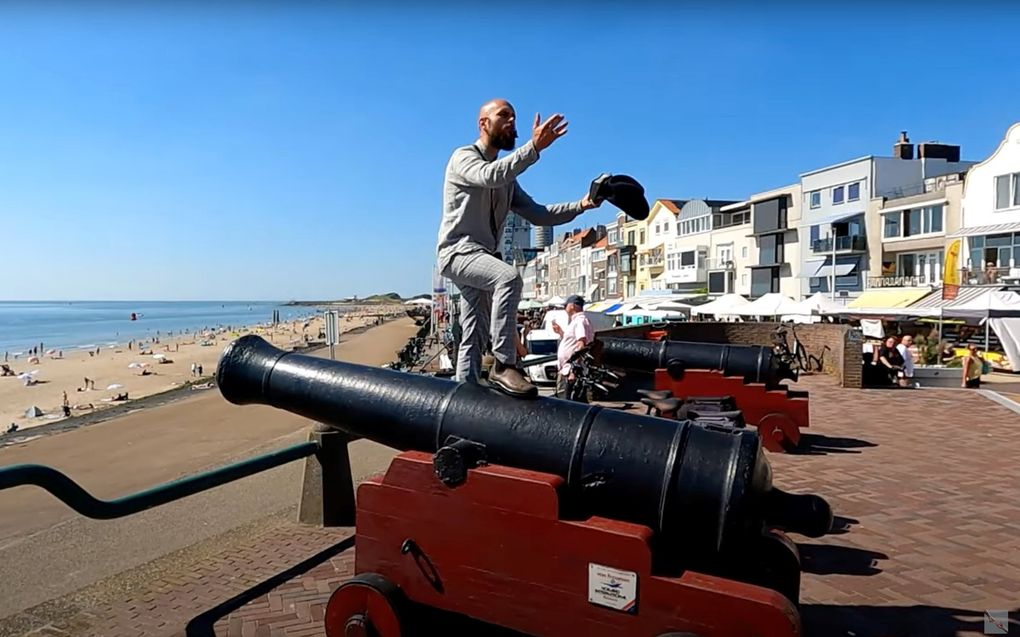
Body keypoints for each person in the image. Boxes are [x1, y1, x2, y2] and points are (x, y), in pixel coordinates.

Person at [436, 98, 600, 397]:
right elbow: (489, 176)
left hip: (482, 257)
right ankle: (503, 365)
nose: (512, 121)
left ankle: (464, 393)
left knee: (474, 330)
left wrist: (583, 205)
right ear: (483, 124)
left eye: (514, 116)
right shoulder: (464, 157)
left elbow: (539, 214)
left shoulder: (508, 182)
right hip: (458, 253)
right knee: (508, 277)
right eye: (504, 115)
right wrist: (534, 148)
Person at [552, 295, 594, 400]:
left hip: (569, 371)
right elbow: (573, 343)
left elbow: (581, 345)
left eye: (566, 305)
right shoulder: (579, 321)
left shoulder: (579, 321)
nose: (565, 308)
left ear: (572, 306)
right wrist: (561, 332)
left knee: (566, 403)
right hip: (567, 369)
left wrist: (573, 370)